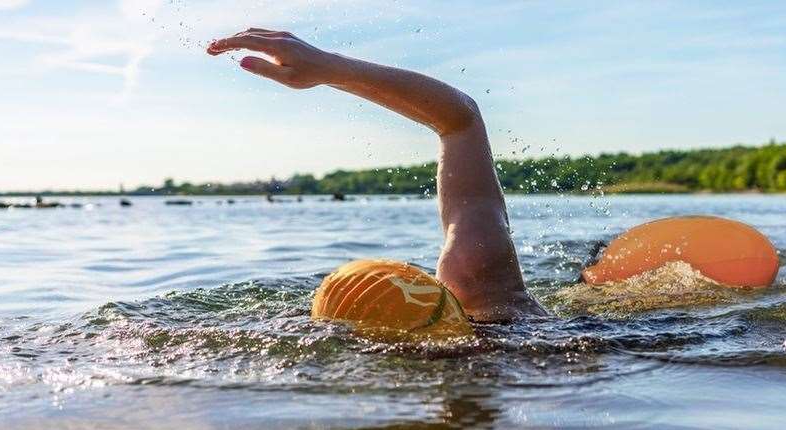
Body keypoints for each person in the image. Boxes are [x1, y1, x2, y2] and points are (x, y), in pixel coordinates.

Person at [208, 28, 547, 323]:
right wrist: (330, 69)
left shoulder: (490, 292)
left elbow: (461, 120)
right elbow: (461, 122)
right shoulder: (494, 295)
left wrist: (329, 68)